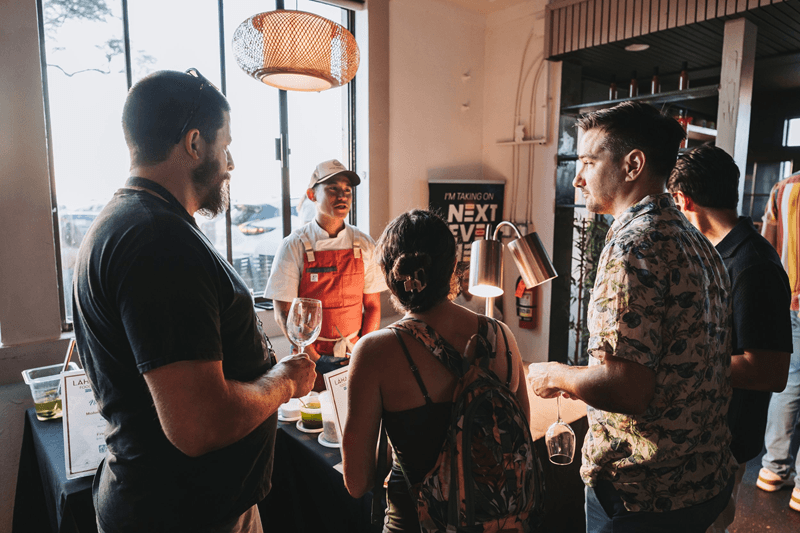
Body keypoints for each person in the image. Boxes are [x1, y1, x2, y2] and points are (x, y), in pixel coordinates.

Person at [72, 69, 316, 533]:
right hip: (183, 516)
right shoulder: (156, 240)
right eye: (225, 146)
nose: (230, 163)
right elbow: (199, 424)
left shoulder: (127, 221)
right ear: (194, 143)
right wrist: (286, 380)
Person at [527, 101, 736, 532]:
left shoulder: (633, 247)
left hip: (643, 494)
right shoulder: (697, 242)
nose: (578, 178)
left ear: (632, 164)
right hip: (702, 482)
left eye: (587, 161)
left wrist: (555, 374)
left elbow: (627, 388)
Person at [341, 210, 531, 532]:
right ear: (454, 268)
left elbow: (357, 483)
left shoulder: (374, 352)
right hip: (498, 523)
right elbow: (521, 436)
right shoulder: (501, 336)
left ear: (390, 276)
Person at [668, 144, 793, 529]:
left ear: (681, 199)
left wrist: (679, 362)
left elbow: (769, 372)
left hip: (725, 441)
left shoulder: (752, 265)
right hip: (704, 435)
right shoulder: (713, 252)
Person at [264, 159, 387, 390]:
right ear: (312, 195)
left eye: (347, 190)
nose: (342, 196)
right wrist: (314, 357)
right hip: (309, 360)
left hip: (352, 355)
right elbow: (284, 312)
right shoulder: (295, 245)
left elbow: (372, 306)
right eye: (333, 189)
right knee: (312, 419)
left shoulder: (365, 244)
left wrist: (362, 351)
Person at [757, 170, 800, 512]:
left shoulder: (784, 187)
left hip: (790, 301)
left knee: (789, 384)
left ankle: (773, 469)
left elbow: (765, 247)